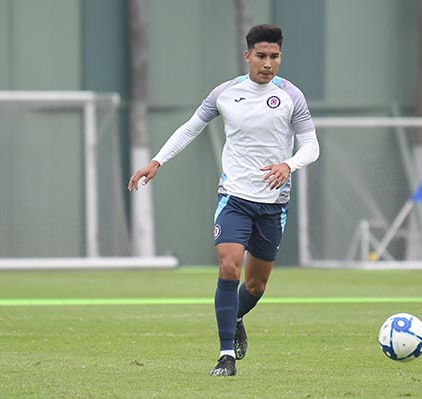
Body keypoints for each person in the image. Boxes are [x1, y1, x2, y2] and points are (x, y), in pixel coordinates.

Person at [128, 24, 319, 377]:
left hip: (273, 203)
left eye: (274, 57)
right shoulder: (225, 93)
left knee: (256, 285)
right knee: (229, 267)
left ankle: (238, 314)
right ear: (247, 55)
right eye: (260, 56)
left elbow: (311, 146)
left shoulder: (292, 96)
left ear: (280, 57)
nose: (267, 63)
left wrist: (287, 164)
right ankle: (226, 356)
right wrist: (156, 161)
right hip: (234, 197)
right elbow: (190, 127)